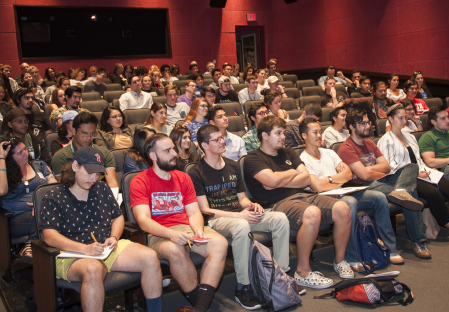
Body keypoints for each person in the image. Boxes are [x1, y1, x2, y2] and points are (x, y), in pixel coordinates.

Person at [40, 146, 163, 312]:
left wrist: (114, 237)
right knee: (93, 269)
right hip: (71, 253)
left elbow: (117, 217)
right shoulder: (54, 196)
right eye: (89, 172)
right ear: (75, 166)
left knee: (150, 257)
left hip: (105, 247)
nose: (93, 178)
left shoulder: (102, 188)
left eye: (97, 174)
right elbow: (50, 236)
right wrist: (85, 249)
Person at [189, 124, 290, 309]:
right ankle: (243, 286)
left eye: (222, 138)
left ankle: (281, 277)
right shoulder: (196, 172)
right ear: (204, 145)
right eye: (217, 139)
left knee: (280, 219)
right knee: (241, 226)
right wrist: (239, 217)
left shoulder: (233, 165)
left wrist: (251, 205)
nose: (222, 141)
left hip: (240, 215)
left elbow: (242, 199)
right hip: (216, 220)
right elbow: (204, 209)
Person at [244, 115, 354, 282]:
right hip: (278, 204)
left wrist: (278, 180)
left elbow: (306, 179)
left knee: (343, 209)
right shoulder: (253, 158)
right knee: (312, 213)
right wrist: (292, 173)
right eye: (278, 133)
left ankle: (340, 261)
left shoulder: (288, 152)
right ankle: (302, 272)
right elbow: (271, 182)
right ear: (264, 135)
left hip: (304, 195)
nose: (283, 137)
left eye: (284, 133)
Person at [130, 133, 227, 312]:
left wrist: (198, 231)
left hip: (186, 228)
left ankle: (199, 308)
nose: (174, 153)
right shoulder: (139, 181)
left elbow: (194, 212)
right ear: (153, 156)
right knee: (174, 249)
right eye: (167, 151)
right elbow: (143, 221)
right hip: (159, 233)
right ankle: (201, 305)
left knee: (220, 243)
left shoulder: (183, 177)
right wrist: (171, 234)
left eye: (173, 149)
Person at [299, 118, 404, 270]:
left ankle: (391, 249)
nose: (319, 135)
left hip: (342, 191)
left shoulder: (329, 153)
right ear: (304, 136)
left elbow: (348, 174)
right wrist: (335, 179)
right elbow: (317, 187)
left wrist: (328, 179)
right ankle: (352, 257)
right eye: (315, 132)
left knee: (379, 197)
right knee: (351, 203)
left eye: (320, 132)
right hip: (324, 199)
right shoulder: (303, 159)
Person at [379, 104, 449, 244]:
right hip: (403, 178)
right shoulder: (386, 140)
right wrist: (416, 173)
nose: (404, 121)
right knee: (434, 194)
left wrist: (425, 171)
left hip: (422, 172)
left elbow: (418, 159)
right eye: (400, 118)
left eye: (405, 118)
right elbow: (389, 167)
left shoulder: (409, 137)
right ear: (390, 119)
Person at [338, 109, 431, 258]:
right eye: (362, 123)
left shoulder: (369, 143)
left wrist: (370, 169)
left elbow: (386, 167)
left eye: (368, 122)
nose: (367, 126)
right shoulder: (346, 148)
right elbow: (364, 175)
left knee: (411, 166)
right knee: (409, 192)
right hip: (363, 188)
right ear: (352, 127)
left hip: (380, 182)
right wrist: (374, 171)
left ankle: (401, 192)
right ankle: (418, 241)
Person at [0, 137, 57, 263]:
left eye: (25, 149)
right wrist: (1, 159)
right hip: (15, 219)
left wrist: (39, 204)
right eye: (20, 153)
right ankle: (30, 246)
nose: (26, 153)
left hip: (40, 211)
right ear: (10, 157)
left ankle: (30, 245)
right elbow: (2, 191)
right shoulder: (4, 174)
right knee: (43, 215)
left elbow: (54, 188)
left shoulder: (39, 165)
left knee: (46, 213)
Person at [51, 112, 119, 193]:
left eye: (92, 134)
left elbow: (112, 183)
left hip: (101, 196)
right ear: (73, 131)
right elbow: (65, 189)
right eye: (84, 134)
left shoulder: (104, 153)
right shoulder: (60, 157)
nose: (89, 138)